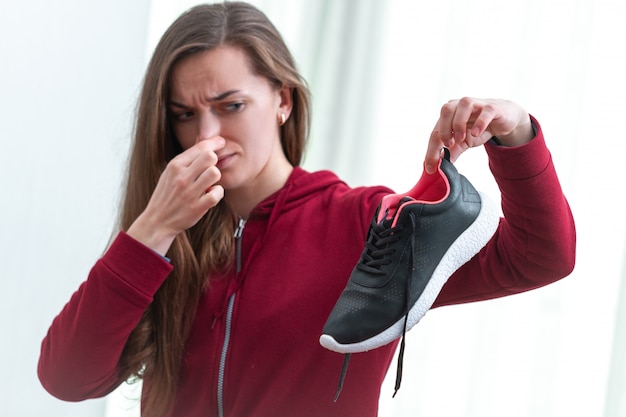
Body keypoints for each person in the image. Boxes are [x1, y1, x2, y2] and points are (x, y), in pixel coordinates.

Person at [37, 2, 576, 417]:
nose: (206, 136)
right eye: (183, 114)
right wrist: (152, 229)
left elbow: (541, 256)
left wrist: (518, 133)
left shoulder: (370, 225)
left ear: (283, 100)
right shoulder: (160, 243)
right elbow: (66, 378)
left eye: (230, 106)